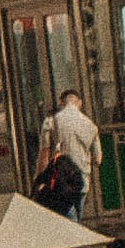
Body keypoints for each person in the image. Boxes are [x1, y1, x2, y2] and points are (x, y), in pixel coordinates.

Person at [35, 89, 100, 221]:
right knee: (77, 220)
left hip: (59, 182)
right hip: (81, 182)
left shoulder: (51, 122)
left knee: (66, 222)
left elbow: (44, 154)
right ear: (79, 103)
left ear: (61, 102)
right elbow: (98, 159)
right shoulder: (91, 125)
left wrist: (39, 180)